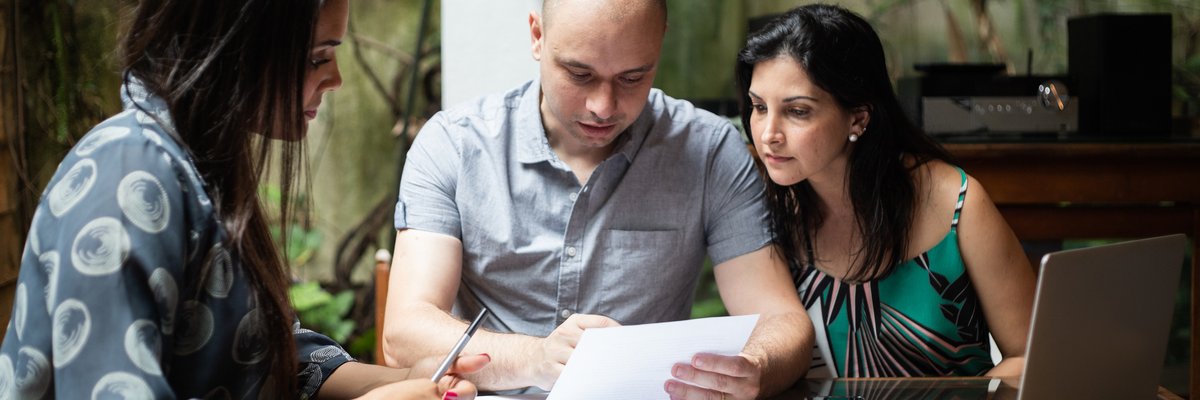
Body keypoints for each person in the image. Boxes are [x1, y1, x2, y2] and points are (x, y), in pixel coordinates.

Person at [0, 0, 485, 399]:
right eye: (318, 56)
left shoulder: (203, 164)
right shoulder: (128, 180)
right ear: (236, 49)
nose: (336, 79)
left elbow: (263, 352)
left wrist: (404, 380)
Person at [384, 0, 812, 398]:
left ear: (660, 41)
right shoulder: (454, 145)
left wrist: (754, 365)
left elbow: (782, 319)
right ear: (537, 36)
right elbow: (404, 333)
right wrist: (533, 359)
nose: (603, 106)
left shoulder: (709, 151)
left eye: (633, 77)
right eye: (579, 74)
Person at [735, 4, 1036, 378]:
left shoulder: (957, 204)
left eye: (797, 111)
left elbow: (1029, 359)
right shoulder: (761, 211)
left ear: (858, 117)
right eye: (759, 107)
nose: (767, 134)